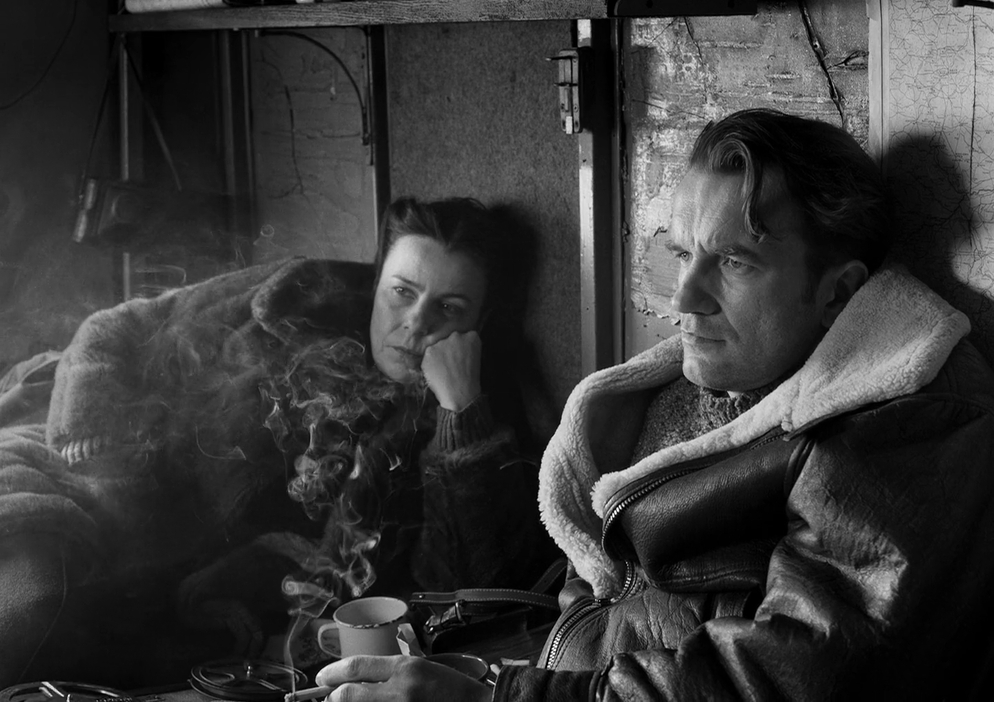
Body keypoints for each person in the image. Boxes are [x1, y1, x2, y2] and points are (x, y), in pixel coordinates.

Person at [314, 109, 994, 700]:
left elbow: (790, 679)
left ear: (837, 292)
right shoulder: (692, 393)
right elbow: (605, 593)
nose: (683, 297)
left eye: (735, 262)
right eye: (682, 253)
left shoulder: (906, 426)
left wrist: (501, 694)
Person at [0, 197, 555, 688]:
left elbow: (475, 593)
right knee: (29, 617)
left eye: (448, 308)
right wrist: (90, 426)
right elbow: (117, 326)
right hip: (82, 487)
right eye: (402, 292)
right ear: (377, 280)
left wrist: (461, 412)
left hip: (183, 587)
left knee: (65, 644)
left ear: (480, 322)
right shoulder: (296, 294)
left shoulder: (470, 422)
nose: (415, 323)